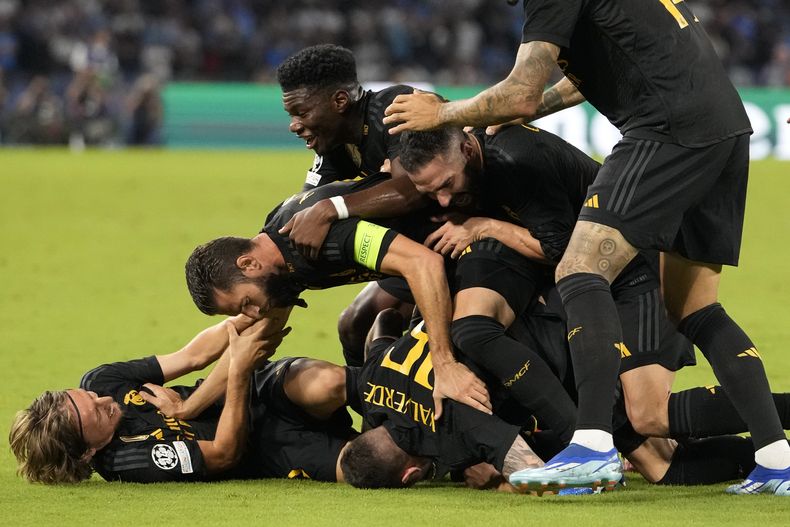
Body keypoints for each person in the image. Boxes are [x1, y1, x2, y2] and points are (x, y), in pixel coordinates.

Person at [381, 0, 790, 495]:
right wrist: (487, 118)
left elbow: (522, 93)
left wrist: (443, 113)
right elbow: (590, 75)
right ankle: (775, 458)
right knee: (694, 309)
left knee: (577, 269)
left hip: (666, 130)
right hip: (723, 128)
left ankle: (593, 445)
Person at [185, 174, 491, 420]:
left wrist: (444, 362)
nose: (252, 314)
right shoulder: (277, 258)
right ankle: (378, 419)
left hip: (464, 242)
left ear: (249, 264)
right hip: (417, 256)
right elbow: (253, 340)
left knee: (467, 337)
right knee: (356, 323)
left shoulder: (320, 239)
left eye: (245, 304)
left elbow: (424, 264)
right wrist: (190, 408)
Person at [275, 44, 429, 366]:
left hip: (471, 232)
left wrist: (332, 208)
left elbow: (413, 189)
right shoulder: (334, 148)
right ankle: (370, 408)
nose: (294, 125)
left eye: (301, 113)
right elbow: (302, 210)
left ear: (340, 101)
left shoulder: (394, 107)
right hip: (422, 241)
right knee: (354, 324)